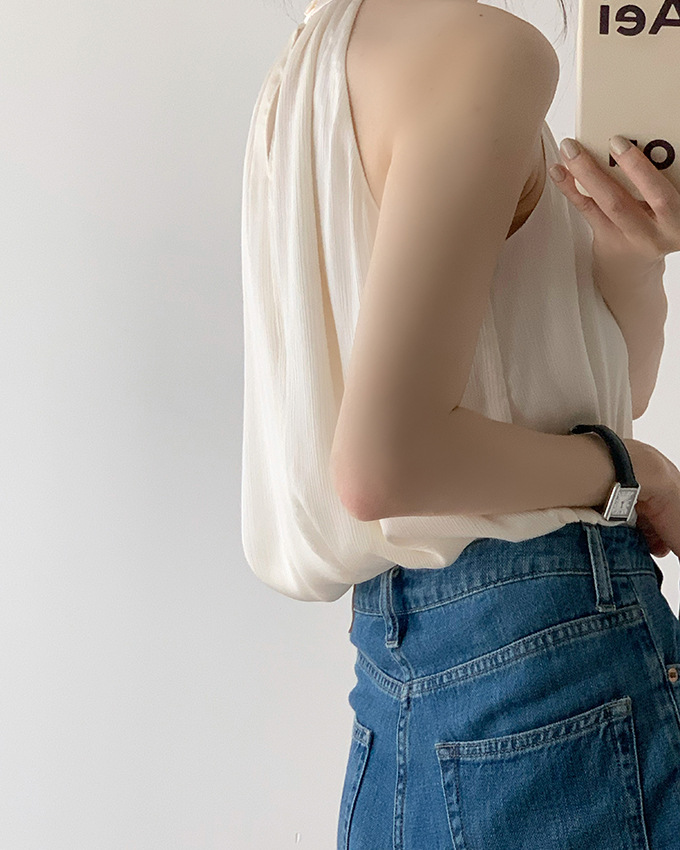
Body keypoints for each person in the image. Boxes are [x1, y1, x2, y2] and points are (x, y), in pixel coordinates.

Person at [240, 0, 680, 846]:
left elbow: (608, 394)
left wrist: (633, 257)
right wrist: (636, 472)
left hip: (404, 673)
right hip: (559, 658)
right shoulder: (487, 51)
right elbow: (387, 463)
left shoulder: (309, 70)